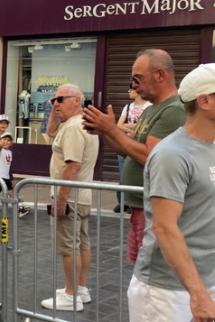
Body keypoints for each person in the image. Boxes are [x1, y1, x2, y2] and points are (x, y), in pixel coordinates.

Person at [127, 64, 215, 322]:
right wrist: (198, 295)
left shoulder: (210, 147)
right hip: (167, 292)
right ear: (205, 101)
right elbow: (165, 228)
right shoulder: (172, 154)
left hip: (204, 280)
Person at [82, 49, 186, 264]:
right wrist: (104, 131)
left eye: (138, 78)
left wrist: (111, 130)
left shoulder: (174, 109)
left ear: (159, 75)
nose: (134, 85)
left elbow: (150, 156)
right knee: (140, 268)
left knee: (150, 271)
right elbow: (126, 150)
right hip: (142, 206)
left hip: (155, 209)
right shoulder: (151, 110)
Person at [39, 84, 99, 311]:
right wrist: (53, 108)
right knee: (81, 243)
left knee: (68, 247)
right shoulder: (78, 124)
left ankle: (71, 295)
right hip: (81, 195)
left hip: (71, 197)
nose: (55, 103)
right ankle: (80, 289)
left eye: (61, 99)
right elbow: (51, 132)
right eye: (53, 100)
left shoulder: (74, 127)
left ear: (76, 100)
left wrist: (60, 200)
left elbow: (72, 166)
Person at [114, 87, 152, 213]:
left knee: (137, 172)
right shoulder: (128, 107)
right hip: (126, 142)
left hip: (139, 143)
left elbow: (146, 124)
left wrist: (129, 127)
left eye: (131, 89)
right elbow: (119, 125)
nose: (129, 92)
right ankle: (122, 202)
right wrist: (136, 129)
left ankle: (133, 203)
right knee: (123, 173)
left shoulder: (149, 106)